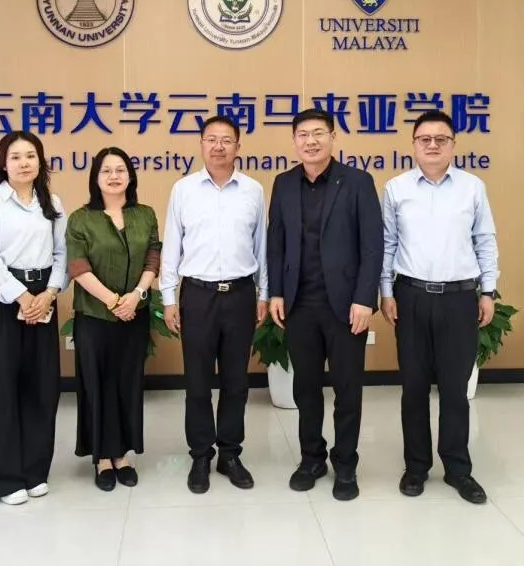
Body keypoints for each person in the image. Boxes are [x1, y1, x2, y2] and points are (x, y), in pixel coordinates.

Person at [379, 109, 499, 505]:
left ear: (453, 145)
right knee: (413, 388)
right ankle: (416, 467)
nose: (432, 145)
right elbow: (387, 244)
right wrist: (386, 292)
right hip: (411, 296)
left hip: (460, 298)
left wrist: (488, 291)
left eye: (440, 139)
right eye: (424, 139)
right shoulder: (396, 188)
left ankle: (458, 469)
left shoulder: (472, 188)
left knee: (454, 389)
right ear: (413, 145)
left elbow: (485, 240)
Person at [266, 108, 382, 501]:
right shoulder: (284, 183)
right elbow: (276, 242)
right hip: (300, 304)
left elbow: (372, 246)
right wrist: (277, 292)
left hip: (346, 306)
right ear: (294, 140)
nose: (310, 141)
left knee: (348, 389)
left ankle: (345, 463)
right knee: (306, 388)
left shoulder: (358, 182)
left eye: (318, 133)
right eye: (303, 134)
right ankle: (311, 458)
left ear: (333, 137)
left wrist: (365, 298)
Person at [160, 115, 269, 494]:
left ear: (238, 146)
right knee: (197, 382)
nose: (218, 146)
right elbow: (172, 246)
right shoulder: (183, 190)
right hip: (198, 295)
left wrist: (264, 293)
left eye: (226, 140)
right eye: (211, 139)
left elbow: (262, 246)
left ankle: (230, 454)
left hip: (240, 294)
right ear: (201, 144)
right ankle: (201, 455)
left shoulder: (253, 190)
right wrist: (169, 299)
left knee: (237, 382)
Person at [0, 130, 68, 505]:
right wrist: (22, 296)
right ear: (2, 163)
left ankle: (34, 471)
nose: (24, 163)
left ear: (41, 162)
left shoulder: (52, 203)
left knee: (41, 387)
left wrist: (49, 293)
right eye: (15, 157)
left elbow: (62, 253)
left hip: (44, 296)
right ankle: (6, 478)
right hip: (2, 296)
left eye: (30, 156)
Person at [65, 147, 161, 491]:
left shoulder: (145, 214)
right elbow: (78, 267)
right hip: (95, 316)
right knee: (97, 384)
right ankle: (102, 457)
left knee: (127, 383)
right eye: (106, 171)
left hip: (135, 314)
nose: (114, 176)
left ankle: (121, 455)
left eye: (120, 170)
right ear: (95, 177)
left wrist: (136, 296)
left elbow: (153, 257)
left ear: (131, 176)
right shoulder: (81, 218)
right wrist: (113, 301)